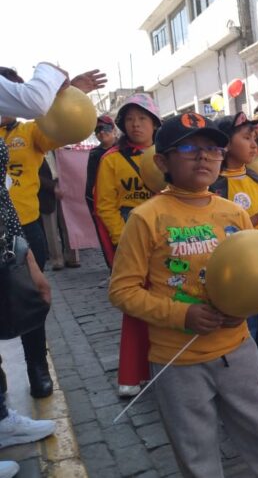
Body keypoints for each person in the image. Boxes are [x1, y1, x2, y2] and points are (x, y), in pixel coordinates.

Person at [108, 112, 258, 478]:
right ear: (162, 161)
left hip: (238, 350)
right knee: (197, 456)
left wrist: (245, 308)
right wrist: (182, 316)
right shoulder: (146, 217)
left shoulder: (234, 213)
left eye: (212, 149)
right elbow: (122, 291)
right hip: (177, 363)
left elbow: (253, 274)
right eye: (188, 148)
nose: (203, 157)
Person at [0, 61, 101, 478]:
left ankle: (31, 379)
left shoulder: (28, 130)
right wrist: (55, 77)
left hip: (18, 230)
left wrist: (67, 96)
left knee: (27, 307)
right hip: (8, 230)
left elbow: (59, 124)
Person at [210, 112, 258, 420]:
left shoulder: (257, 178)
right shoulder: (215, 188)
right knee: (246, 340)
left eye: (254, 138)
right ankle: (246, 396)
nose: (254, 144)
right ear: (225, 145)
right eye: (245, 138)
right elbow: (226, 237)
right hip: (240, 280)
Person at [94, 93, 161, 398]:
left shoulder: (166, 155)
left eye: (142, 119)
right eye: (130, 119)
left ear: (154, 123)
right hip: (131, 238)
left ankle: (167, 365)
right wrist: (123, 241)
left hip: (166, 237)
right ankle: (132, 373)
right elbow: (105, 205)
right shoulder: (111, 160)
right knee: (135, 305)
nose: (136, 125)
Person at [38, 155, 78, 270]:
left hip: (65, 187)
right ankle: (56, 260)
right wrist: (53, 187)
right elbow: (34, 175)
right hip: (46, 191)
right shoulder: (35, 152)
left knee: (70, 224)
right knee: (51, 228)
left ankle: (73, 257)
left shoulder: (59, 150)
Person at [85, 115, 117, 215]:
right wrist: (91, 203)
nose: (102, 132)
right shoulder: (94, 154)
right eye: (97, 129)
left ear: (113, 130)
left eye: (105, 128)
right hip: (105, 202)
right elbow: (91, 181)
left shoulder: (126, 148)